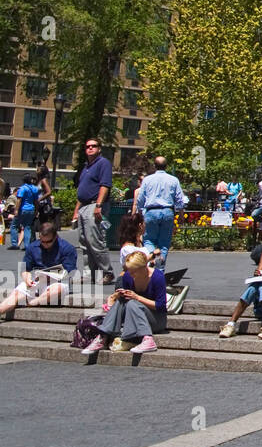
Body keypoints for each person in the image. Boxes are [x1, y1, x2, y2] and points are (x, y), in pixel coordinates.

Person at [83, 250, 168, 355]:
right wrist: (116, 297)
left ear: (143, 268)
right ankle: (103, 337)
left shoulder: (157, 277)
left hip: (156, 319)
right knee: (123, 300)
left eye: (133, 271)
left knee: (132, 302)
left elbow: (160, 306)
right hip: (135, 317)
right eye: (129, 271)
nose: (130, 274)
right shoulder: (127, 276)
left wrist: (137, 297)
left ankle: (148, 340)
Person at [0, 222, 78, 316]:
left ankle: (34, 302)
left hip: (59, 281)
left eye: (48, 242)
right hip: (38, 280)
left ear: (55, 237)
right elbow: (25, 269)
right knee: (14, 296)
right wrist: (27, 278)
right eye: (42, 241)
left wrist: (53, 274)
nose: (45, 244)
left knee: (56, 290)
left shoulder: (67, 248)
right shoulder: (33, 247)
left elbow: (70, 271)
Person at [130, 156, 186, 270]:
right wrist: (181, 214)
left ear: (154, 166)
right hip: (167, 211)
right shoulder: (174, 180)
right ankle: (160, 269)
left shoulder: (147, 179)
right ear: (166, 166)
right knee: (164, 243)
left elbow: (141, 199)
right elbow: (180, 199)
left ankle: (152, 259)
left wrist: (140, 212)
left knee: (149, 240)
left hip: (151, 211)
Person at [74, 138, 115, 285]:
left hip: (94, 206)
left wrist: (99, 205)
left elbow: (105, 185)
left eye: (94, 146)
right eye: (87, 146)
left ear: (99, 149)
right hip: (84, 206)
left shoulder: (103, 163)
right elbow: (82, 191)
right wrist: (76, 210)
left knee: (95, 241)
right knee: (84, 242)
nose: (90, 148)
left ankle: (107, 272)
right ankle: (89, 273)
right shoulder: (86, 167)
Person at [8, 174, 39, 250]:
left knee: (14, 225)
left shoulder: (22, 188)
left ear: (23, 180)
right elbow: (36, 201)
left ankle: (15, 244)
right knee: (27, 227)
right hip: (31, 209)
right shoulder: (35, 189)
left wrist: (16, 210)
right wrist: (36, 210)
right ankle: (27, 245)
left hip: (22, 209)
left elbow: (19, 200)